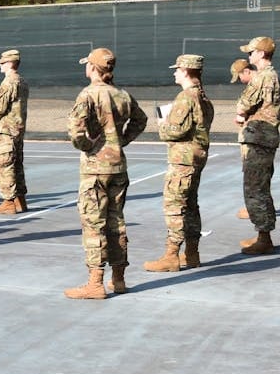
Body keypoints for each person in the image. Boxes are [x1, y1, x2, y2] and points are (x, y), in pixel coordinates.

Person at [64, 48, 147, 299]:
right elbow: (140, 120)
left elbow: (76, 132)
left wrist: (90, 146)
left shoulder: (88, 94)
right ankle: (119, 278)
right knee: (116, 223)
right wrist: (120, 141)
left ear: (92, 68)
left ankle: (95, 282)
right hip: (118, 167)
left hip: (95, 169)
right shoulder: (122, 94)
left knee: (93, 225)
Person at [143, 54, 214, 272]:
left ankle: (171, 255)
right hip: (195, 157)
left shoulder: (186, 97)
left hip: (183, 160)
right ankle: (191, 254)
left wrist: (162, 124)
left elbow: (176, 131)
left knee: (174, 206)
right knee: (191, 205)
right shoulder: (203, 97)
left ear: (185, 71)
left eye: (177, 69)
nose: (174, 72)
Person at [235, 36, 280, 255]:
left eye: (251, 52)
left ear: (261, 54)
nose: (249, 56)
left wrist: (241, 112)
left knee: (254, 188)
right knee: (261, 187)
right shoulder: (271, 76)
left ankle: (264, 238)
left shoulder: (262, 77)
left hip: (259, 138)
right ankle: (264, 235)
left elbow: (243, 105)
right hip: (264, 138)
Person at [0, 49, 30, 214]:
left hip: (7, 130)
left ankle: (9, 202)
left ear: (10, 63)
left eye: (3, 62)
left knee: (5, 165)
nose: (0, 65)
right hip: (17, 129)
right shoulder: (22, 81)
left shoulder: (9, 82)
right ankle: (20, 201)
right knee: (16, 164)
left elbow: (0, 107)